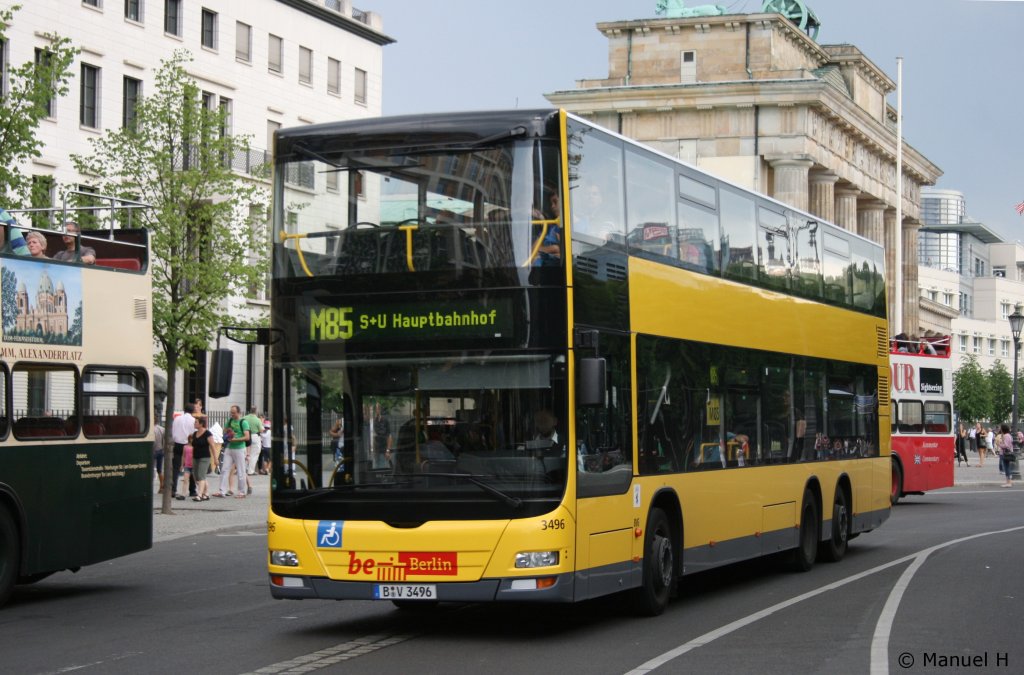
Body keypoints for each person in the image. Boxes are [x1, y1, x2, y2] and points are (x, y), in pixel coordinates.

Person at [214, 405, 250, 499]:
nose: (232, 414)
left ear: (238, 412)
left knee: (241, 470)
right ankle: (222, 491)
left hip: (239, 448)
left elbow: (247, 437)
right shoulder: (230, 421)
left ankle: (242, 492)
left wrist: (236, 439)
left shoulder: (243, 422)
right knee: (224, 469)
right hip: (229, 447)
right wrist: (228, 433)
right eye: (231, 412)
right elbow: (224, 431)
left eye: (233, 412)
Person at [170, 404, 196, 499]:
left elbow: (173, 431)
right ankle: (192, 490)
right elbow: (194, 434)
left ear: (184, 410)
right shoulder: (193, 420)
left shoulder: (177, 419)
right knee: (190, 467)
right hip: (188, 444)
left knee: (175, 468)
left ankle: (173, 489)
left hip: (177, 443)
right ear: (192, 411)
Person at [190, 416, 219, 500]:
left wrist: (215, 458)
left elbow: (213, 446)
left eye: (196, 422)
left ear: (201, 424)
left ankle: (200, 494)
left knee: (201, 475)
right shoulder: (195, 434)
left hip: (205, 457)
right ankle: (206, 493)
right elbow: (192, 445)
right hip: (195, 457)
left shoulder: (207, 433)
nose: (194, 423)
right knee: (196, 476)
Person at [243, 406, 263, 481]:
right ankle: (250, 471)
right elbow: (261, 430)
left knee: (245, 453)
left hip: (246, 435)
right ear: (256, 411)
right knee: (254, 454)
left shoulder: (244, 418)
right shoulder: (257, 419)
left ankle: (244, 469)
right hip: (255, 436)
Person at [998, 423, 1015, 488]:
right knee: (1006, 467)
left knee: (1006, 468)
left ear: (1003, 429)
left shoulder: (1006, 436)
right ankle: (1008, 482)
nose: (1000, 429)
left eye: (1000, 428)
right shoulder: (1008, 435)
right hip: (1006, 453)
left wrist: (999, 444)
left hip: (1005, 453)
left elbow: (1006, 445)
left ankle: (1009, 482)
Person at [153, 418, 166, 493]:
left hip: (153, 451)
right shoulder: (162, 429)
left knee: (150, 468)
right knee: (159, 469)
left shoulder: (152, 429)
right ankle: (161, 486)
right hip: (161, 450)